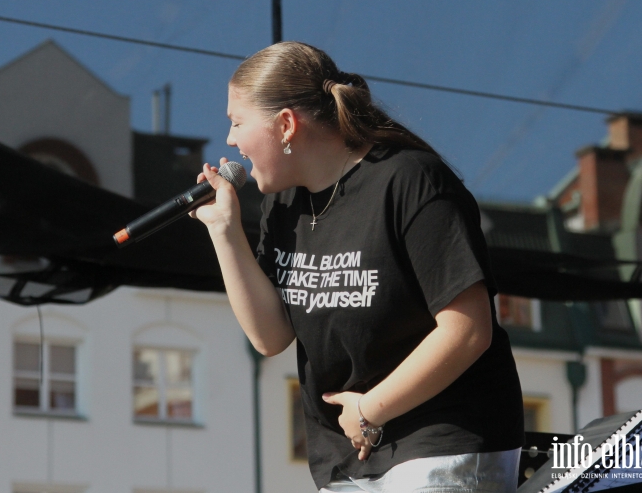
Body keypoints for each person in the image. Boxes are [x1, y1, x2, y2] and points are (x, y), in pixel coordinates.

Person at [192, 41, 524, 492]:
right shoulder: (285, 203)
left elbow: (467, 330)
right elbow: (270, 337)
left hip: (438, 443)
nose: (230, 140)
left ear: (286, 125)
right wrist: (224, 231)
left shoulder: (408, 180)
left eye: (237, 122)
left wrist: (373, 408)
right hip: (346, 458)